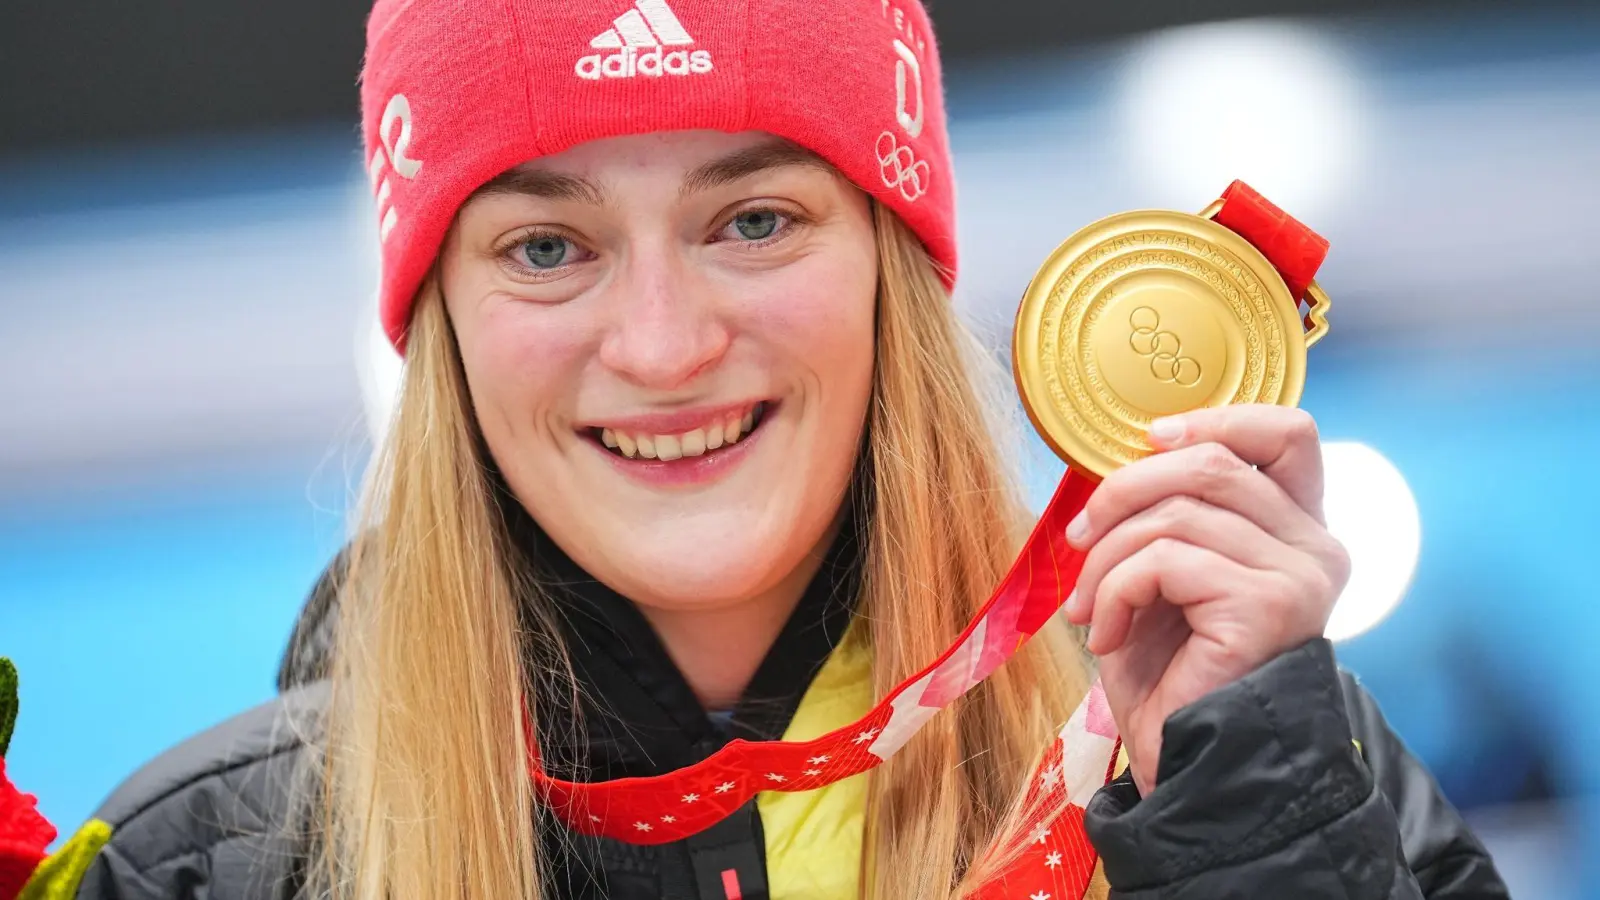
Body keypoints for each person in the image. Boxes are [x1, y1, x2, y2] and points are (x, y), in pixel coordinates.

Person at [45, 1, 1508, 898]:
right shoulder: (203, 869)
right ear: (443, 330)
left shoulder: (1231, 761)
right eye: (547, 247)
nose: (666, 344)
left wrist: (1244, 814)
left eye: (754, 221)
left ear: (891, 265)